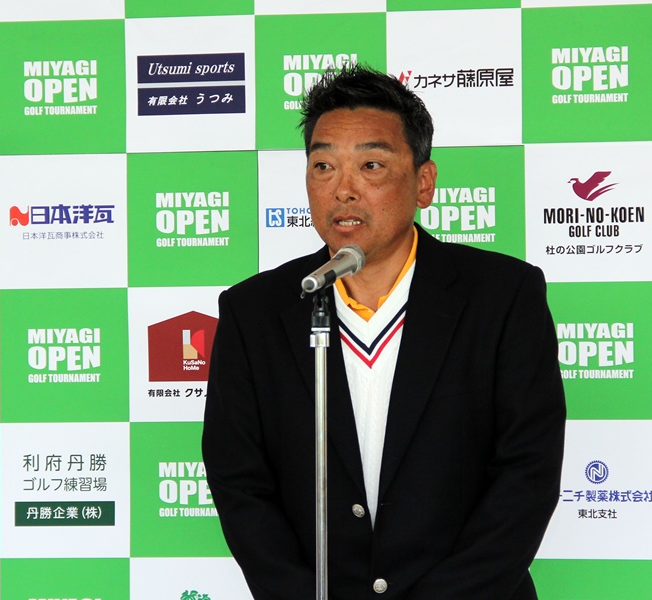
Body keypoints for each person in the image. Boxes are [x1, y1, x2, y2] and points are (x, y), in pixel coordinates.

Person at [202, 64, 566, 600]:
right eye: (323, 166)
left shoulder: (503, 295)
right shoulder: (255, 311)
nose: (343, 190)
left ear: (424, 182)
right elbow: (239, 481)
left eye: (371, 164)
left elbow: (527, 474)